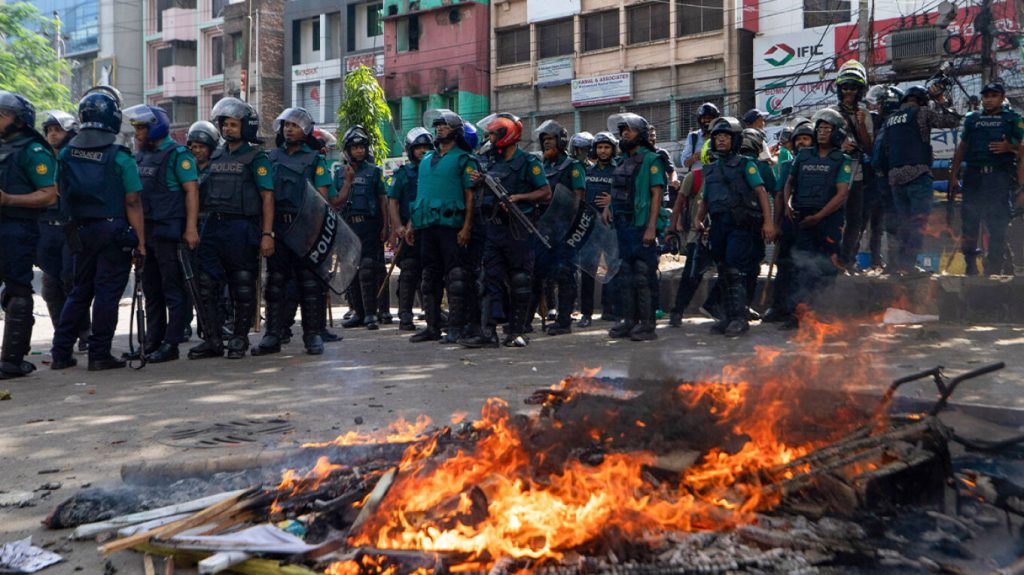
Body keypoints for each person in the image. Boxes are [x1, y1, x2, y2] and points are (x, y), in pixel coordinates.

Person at [50, 92, 145, 371]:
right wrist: (141, 241)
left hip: (79, 231)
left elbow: (58, 190)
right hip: (113, 231)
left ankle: (60, 352)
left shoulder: (67, 153)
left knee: (80, 291)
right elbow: (133, 201)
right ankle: (99, 354)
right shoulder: (120, 156)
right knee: (106, 293)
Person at [188, 97, 275, 360]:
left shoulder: (256, 158)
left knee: (243, 286)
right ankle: (213, 340)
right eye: (224, 124)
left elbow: (267, 197)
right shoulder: (214, 155)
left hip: (243, 228)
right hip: (213, 226)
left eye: (233, 124)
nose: (227, 129)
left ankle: (239, 339)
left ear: (245, 127)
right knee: (206, 286)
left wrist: (267, 234)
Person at [460, 113, 550, 348]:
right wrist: (479, 180)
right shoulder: (491, 163)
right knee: (489, 280)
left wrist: (519, 197)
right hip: (494, 230)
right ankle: (488, 333)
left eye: (492, 134)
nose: (489, 138)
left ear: (506, 135)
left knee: (520, 281)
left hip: (519, 230)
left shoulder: (528, 163)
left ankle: (516, 331)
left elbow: (545, 192)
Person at [251, 107, 334, 356]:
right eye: (286, 124)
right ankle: (273, 335)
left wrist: (315, 232)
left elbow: (322, 199)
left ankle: (312, 336)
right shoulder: (270, 157)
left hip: (305, 229)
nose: (289, 129)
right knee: (275, 284)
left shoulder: (316, 160)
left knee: (309, 284)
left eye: (294, 125)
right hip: (277, 227)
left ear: (306, 130)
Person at [124, 104, 200, 363]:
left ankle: (171, 342)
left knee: (173, 289)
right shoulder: (140, 156)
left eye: (141, 127)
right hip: (146, 233)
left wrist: (190, 228)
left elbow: (191, 191)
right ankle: (151, 341)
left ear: (155, 127)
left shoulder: (178, 154)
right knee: (151, 290)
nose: (137, 133)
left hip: (169, 232)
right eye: (135, 128)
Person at [694, 116, 776, 338]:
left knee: (735, 270)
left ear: (735, 140)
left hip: (741, 226)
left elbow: (761, 192)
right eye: (717, 137)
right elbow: (706, 198)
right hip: (718, 225)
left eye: (725, 137)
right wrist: (698, 218)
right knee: (723, 270)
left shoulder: (746, 165)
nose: (720, 141)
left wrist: (769, 222)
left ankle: (739, 319)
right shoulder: (710, 169)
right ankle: (729, 317)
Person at [406, 109, 477, 343]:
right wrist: (411, 224)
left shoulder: (464, 159)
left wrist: (467, 227)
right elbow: (422, 195)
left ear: (456, 131)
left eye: (444, 125)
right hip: (427, 226)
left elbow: (470, 196)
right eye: (436, 126)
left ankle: (456, 327)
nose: (438, 129)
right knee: (429, 278)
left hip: (452, 227)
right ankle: (432, 327)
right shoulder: (426, 159)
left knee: (456, 278)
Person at [0, 92, 58, 378]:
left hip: (17, 229)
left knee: (17, 290)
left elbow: (48, 195)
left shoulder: (33, 151)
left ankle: (11, 360)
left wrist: (9, 200)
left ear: (20, 121)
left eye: (2, 115)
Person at [781, 109, 853, 328]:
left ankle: (820, 313)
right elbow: (790, 183)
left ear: (837, 133)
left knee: (827, 268)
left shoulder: (843, 160)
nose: (821, 132)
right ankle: (798, 314)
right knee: (802, 267)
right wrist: (787, 204)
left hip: (828, 220)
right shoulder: (803, 155)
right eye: (819, 128)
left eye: (827, 129)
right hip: (804, 219)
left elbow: (842, 194)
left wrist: (820, 216)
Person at [880, 85, 960, 275]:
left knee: (904, 223)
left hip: (894, 179)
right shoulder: (922, 112)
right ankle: (908, 266)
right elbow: (953, 121)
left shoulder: (890, 119)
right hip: (917, 175)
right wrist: (941, 99)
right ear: (923, 101)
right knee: (918, 223)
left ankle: (899, 264)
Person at [949, 80, 1024, 276]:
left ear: (1001, 97)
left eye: (993, 96)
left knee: (997, 224)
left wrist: (1010, 148)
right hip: (973, 177)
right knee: (970, 222)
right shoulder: (972, 119)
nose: (989, 100)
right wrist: (953, 175)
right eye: (986, 96)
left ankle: (994, 267)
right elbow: (962, 148)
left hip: (998, 178)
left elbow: (1022, 148)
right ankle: (970, 265)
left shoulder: (1012, 119)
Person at [605, 113, 667, 341]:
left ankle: (647, 325)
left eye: (628, 130)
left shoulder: (652, 159)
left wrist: (651, 227)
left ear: (640, 134)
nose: (624, 134)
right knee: (626, 275)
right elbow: (619, 193)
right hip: (624, 227)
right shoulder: (622, 162)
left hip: (642, 226)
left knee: (643, 275)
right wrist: (608, 208)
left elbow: (656, 194)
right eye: (622, 131)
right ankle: (629, 321)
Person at [38, 111, 90, 351]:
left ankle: (84, 334)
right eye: (49, 130)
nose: (52, 135)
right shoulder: (41, 158)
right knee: (50, 286)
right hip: (47, 229)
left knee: (72, 281)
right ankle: (62, 338)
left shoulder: (78, 159)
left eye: (57, 130)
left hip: (72, 228)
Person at [534, 119, 586, 336]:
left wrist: (570, 229)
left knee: (564, 272)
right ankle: (528, 318)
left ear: (561, 141)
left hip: (564, 228)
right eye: (544, 139)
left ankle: (564, 320)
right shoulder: (541, 167)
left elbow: (578, 199)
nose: (547, 143)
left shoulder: (572, 167)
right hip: (542, 228)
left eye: (550, 139)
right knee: (537, 273)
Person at [763, 119, 814, 327]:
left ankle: (799, 311)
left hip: (810, 223)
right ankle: (779, 308)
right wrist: (775, 225)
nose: (802, 142)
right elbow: (778, 196)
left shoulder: (819, 164)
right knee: (784, 266)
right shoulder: (786, 165)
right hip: (788, 223)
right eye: (798, 139)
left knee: (805, 267)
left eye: (806, 139)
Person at [338, 125, 388, 330]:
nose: (359, 151)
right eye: (355, 147)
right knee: (350, 270)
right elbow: (335, 200)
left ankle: (370, 314)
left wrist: (386, 227)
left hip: (370, 226)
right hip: (348, 227)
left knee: (368, 270)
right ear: (348, 150)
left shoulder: (374, 172)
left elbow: (383, 200)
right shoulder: (341, 173)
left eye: (362, 147)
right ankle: (357, 313)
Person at [828, 60, 874, 271]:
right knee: (833, 219)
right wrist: (840, 148)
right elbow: (821, 143)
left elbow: (869, 147)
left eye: (854, 88)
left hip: (856, 175)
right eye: (845, 87)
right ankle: (831, 260)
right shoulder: (829, 114)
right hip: (834, 175)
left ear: (860, 90)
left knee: (855, 221)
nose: (849, 92)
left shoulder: (864, 114)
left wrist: (861, 124)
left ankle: (848, 260)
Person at [388, 127, 433, 332]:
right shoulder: (404, 173)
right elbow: (393, 201)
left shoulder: (435, 170)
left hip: (430, 227)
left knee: (431, 272)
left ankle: (432, 312)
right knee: (409, 272)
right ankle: (405, 313)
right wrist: (397, 226)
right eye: (418, 148)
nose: (422, 151)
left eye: (426, 147)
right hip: (408, 232)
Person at [581, 131, 619, 327]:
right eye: (600, 147)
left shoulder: (619, 169)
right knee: (588, 270)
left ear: (613, 149)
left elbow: (626, 191)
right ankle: (586, 314)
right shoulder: (588, 172)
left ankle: (609, 309)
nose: (603, 151)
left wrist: (612, 201)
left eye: (607, 147)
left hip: (610, 227)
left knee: (611, 269)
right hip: (589, 227)